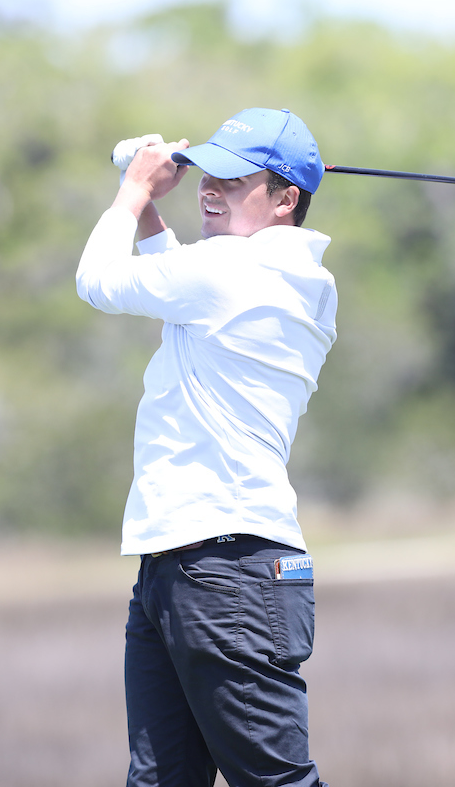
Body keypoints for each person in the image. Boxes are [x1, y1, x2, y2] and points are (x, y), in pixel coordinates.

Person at [76, 107, 336, 787]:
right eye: (206, 172)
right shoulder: (298, 279)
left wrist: (134, 192)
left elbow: (97, 282)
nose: (209, 187)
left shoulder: (229, 273)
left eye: (234, 177)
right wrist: (155, 218)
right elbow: (185, 287)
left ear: (286, 200)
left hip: (227, 571)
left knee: (275, 782)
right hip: (196, 566)